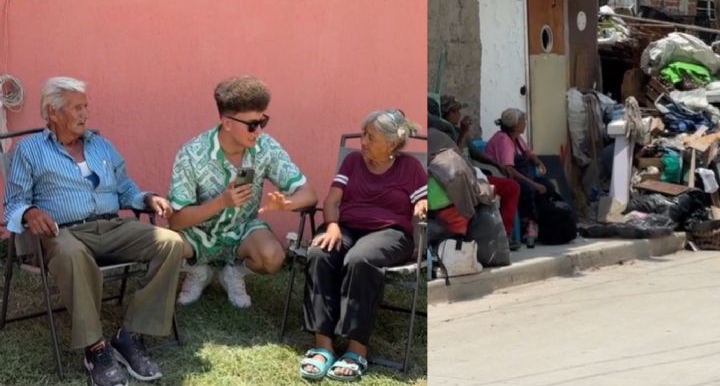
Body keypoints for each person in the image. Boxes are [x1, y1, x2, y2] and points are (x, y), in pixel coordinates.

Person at [4, 77, 184, 386]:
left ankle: (130, 335)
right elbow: (14, 202)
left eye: (85, 106)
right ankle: (96, 349)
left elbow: (125, 188)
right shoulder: (29, 150)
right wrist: (30, 212)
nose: (85, 114)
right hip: (65, 233)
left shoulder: (101, 144)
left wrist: (147, 198)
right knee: (72, 253)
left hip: (112, 226)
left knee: (170, 242)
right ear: (53, 112)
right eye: (77, 108)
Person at [167, 76, 318, 308]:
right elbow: (176, 220)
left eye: (262, 121)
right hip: (199, 232)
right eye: (251, 124)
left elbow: (309, 194)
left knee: (272, 257)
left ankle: (234, 274)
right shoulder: (191, 154)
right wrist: (220, 203)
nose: (258, 131)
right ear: (227, 122)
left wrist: (287, 203)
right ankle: (198, 272)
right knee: (165, 246)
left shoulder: (266, 147)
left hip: (242, 230)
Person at [299, 109, 426, 382]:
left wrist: (422, 205)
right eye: (363, 135)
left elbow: (422, 200)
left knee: (359, 259)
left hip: (390, 233)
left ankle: (356, 349)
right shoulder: (353, 162)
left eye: (370, 137)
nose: (363, 142)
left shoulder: (410, 168)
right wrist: (332, 225)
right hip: (345, 226)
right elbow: (332, 201)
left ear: (392, 143)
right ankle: (323, 346)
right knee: (321, 252)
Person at [437, 95, 521, 248]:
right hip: (461, 179)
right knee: (512, 188)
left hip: (474, 174)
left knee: (510, 186)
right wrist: (463, 133)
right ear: (449, 113)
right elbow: (453, 157)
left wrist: (497, 164)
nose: (459, 115)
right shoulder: (443, 134)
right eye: (456, 111)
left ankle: (504, 234)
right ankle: (504, 237)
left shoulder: (456, 130)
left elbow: (476, 153)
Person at [484, 108, 556, 247]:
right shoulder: (503, 140)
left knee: (548, 187)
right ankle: (527, 227)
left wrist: (537, 162)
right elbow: (509, 170)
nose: (525, 123)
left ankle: (543, 225)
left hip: (522, 176)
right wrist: (534, 184)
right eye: (523, 120)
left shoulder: (516, 138)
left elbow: (527, 153)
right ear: (515, 125)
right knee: (531, 190)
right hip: (507, 178)